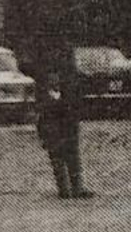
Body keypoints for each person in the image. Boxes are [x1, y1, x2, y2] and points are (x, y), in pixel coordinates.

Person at [37, 69, 91, 199]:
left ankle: (77, 188)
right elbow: (43, 119)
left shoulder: (66, 95)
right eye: (52, 81)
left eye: (56, 80)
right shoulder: (45, 99)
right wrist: (44, 136)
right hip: (54, 133)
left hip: (67, 131)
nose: (55, 83)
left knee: (73, 160)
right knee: (58, 161)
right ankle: (64, 189)